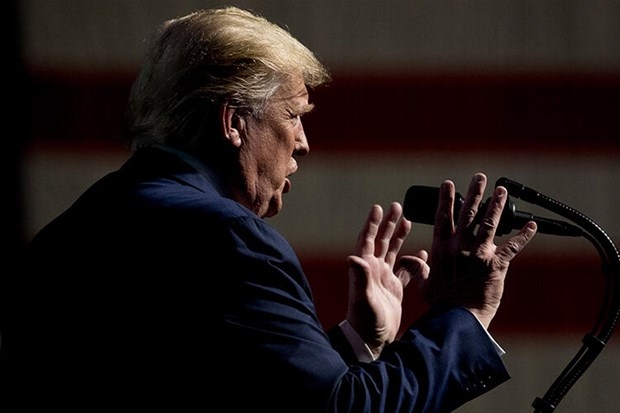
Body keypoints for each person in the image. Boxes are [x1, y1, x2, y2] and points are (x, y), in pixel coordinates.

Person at [3, 6, 537, 412]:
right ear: (233, 122)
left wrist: (359, 342)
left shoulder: (70, 229)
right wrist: (465, 311)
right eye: (293, 115)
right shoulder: (229, 236)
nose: (303, 142)